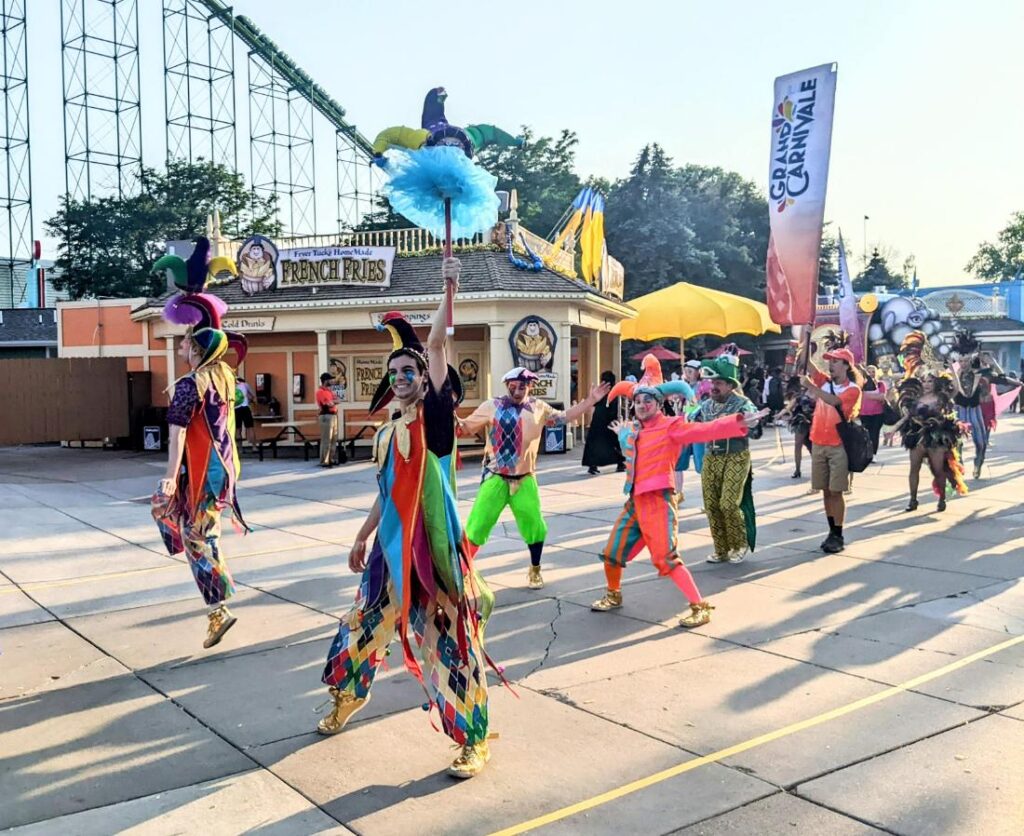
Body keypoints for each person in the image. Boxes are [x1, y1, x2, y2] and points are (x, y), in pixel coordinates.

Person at [315, 258, 502, 779]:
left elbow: (438, 344)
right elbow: (384, 492)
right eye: (393, 372)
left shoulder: (437, 423)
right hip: (389, 552)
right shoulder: (388, 430)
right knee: (360, 628)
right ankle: (347, 697)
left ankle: (473, 740)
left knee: (448, 645)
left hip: (432, 554)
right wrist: (362, 536)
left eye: (409, 372)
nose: (400, 378)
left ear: (425, 379)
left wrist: (449, 289)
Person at [590, 380, 764, 626]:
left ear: (659, 404)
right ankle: (613, 594)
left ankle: (700, 606)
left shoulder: (672, 427)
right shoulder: (636, 430)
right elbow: (633, 454)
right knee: (612, 553)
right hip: (635, 502)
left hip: (658, 501)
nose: (641, 405)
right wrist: (622, 434)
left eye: (647, 400)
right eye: (637, 402)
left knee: (667, 558)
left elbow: (705, 430)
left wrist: (737, 422)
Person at [154, 295, 249, 649]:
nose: (180, 344)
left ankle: (218, 609)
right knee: (197, 531)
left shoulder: (189, 385)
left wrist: (168, 476)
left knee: (197, 537)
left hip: (202, 471)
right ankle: (216, 607)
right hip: (222, 468)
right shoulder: (223, 378)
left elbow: (177, 433)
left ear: (196, 348)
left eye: (186, 340)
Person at [459, 368, 610, 590]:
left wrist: (590, 401)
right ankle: (463, 573)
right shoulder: (491, 406)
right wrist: (445, 412)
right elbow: (463, 427)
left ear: (530, 387)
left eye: (523, 386)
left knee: (535, 527)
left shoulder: (538, 408)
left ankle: (535, 569)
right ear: (506, 384)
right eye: (514, 385)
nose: (518, 390)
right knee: (477, 526)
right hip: (496, 478)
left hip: (525, 479)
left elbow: (564, 417)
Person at [694, 358, 762, 563]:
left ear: (731, 385)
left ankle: (739, 544)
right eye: (713, 383)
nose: (714, 387)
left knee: (729, 503)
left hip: (736, 456)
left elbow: (756, 432)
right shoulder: (705, 405)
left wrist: (752, 423)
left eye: (719, 383)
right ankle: (721, 548)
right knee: (711, 505)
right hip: (711, 458)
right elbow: (692, 426)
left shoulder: (743, 403)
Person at [801, 346, 862, 554]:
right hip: (818, 442)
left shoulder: (852, 389)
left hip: (838, 445)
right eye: (830, 361)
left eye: (836, 361)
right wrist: (805, 340)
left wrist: (811, 387)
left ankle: (838, 533)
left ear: (846, 365)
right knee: (825, 490)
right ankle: (831, 531)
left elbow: (835, 402)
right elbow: (807, 364)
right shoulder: (824, 382)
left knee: (836, 491)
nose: (831, 364)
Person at [887, 372, 968, 513]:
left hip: (937, 437)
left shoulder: (941, 398)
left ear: (936, 383)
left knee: (938, 470)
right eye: (924, 381)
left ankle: (942, 499)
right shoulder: (915, 399)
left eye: (930, 381)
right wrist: (893, 429)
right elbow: (907, 417)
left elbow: (956, 387)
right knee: (914, 468)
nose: (926, 384)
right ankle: (913, 500)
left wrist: (952, 368)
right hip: (917, 436)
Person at [673, 359, 709, 500]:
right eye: (685, 371)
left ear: (698, 372)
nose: (687, 374)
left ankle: (709, 497)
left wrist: (687, 409)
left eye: (690, 371)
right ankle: (678, 493)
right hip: (684, 428)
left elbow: (701, 406)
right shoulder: (683, 387)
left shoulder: (705, 386)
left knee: (702, 464)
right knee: (678, 461)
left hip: (698, 429)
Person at [582, 370, 626, 475]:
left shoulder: (600, 391)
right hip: (610, 420)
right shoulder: (614, 392)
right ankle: (620, 462)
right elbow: (616, 407)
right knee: (614, 443)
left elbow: (594, 404)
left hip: (598, 420)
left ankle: (593, 465)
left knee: (594, 444)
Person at [777, 376, 814, 479]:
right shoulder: (799, 395)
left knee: (813, 448)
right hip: (801, 422)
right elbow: (789, 407)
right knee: (798, 445)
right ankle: (797, 469)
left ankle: (817, 469)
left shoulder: (817, 392)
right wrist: (780, 414)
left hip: (814, 422)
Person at [858, 364, 887, 456]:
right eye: (869, 372)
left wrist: (866, 395)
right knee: (865, 435)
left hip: (877, 414)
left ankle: (873, 454)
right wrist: (874, 396)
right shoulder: (861, 385)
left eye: (873, 372)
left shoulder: (880, 384)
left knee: (874, 434)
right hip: (864, 413)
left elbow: (882, 397)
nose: (871, 374)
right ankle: (866, 453)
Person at [316, 372, 340, 467]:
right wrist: (333, 402)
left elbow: (337, 400)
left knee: (334, 438)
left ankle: (331, 458)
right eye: (330, 379)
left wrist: (333, 402)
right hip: (326, 415)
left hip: (333, 415)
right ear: (325, 381)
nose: (332, 381)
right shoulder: (320, 392)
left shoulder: (329, 391)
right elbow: (328, 404)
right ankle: (324, 460)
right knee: (326, 439)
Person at [234, 376, 256, 451]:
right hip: (245, 408)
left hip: (236, 409)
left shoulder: (230, 386)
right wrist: (249, 401)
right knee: (250, 428)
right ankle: (254, 447)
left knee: (238, 430)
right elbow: (253, 396)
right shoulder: (245, 385)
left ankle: (240, 448)